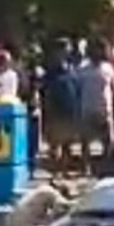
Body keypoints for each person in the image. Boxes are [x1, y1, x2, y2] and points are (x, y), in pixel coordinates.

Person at [76, 40, 114, 175]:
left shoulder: (108, 68)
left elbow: (113, 86)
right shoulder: (82, 69)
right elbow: (78, 88)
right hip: (87, 108)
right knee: (85, 140)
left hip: (105, 109)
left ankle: (105, 167)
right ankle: (86, 167)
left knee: (109, 140)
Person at [41, 45, 79, 177]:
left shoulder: (72, 70)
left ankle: (65, 170)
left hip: (70, 110)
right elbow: (44, 91)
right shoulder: (50, 72)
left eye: (66, 51)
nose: (64, 53)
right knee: (54, 144)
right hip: (55, 111)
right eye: (62, 51)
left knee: (67, 145)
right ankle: (54, 172)